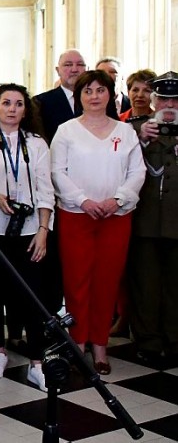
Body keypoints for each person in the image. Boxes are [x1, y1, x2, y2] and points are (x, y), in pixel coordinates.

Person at [51, 70, 145, 375]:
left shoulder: (125, 132)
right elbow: (57, 171)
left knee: (107, 281)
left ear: (111, 95)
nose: (94, 96)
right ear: (79, 96)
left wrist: (117, 199)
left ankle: (100, 345)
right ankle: (78, 343)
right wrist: (83, 201)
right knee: (77, 282)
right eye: (88, 91)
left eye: (100, 90)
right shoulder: (66, 131)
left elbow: (137, 172)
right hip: (77, 216)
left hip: (115, 217)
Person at [0, 84, 54, 391]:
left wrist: (43, 231)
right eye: (6, 103)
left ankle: (37, 363)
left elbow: (45, 190)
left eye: (19, 104)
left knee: (32, 295)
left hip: (29, 229)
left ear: (25, 110)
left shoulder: (36, 143)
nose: (12, 109)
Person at [127, 72, 178, 365]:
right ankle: (147, 341)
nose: (169, 105)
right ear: (154, 100)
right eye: (164, 99)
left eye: (176, 100)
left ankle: (175, 340)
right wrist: (142, 140)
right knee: (145, 285)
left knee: (175, 285)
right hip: (144, 222)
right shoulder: (133, 129)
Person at [35, 49, 88, 144]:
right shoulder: (40, 102)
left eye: (80, 65)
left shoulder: (101, 100)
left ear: (87, 69)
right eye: (68, 65)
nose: (74, 70)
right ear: (58, 70)